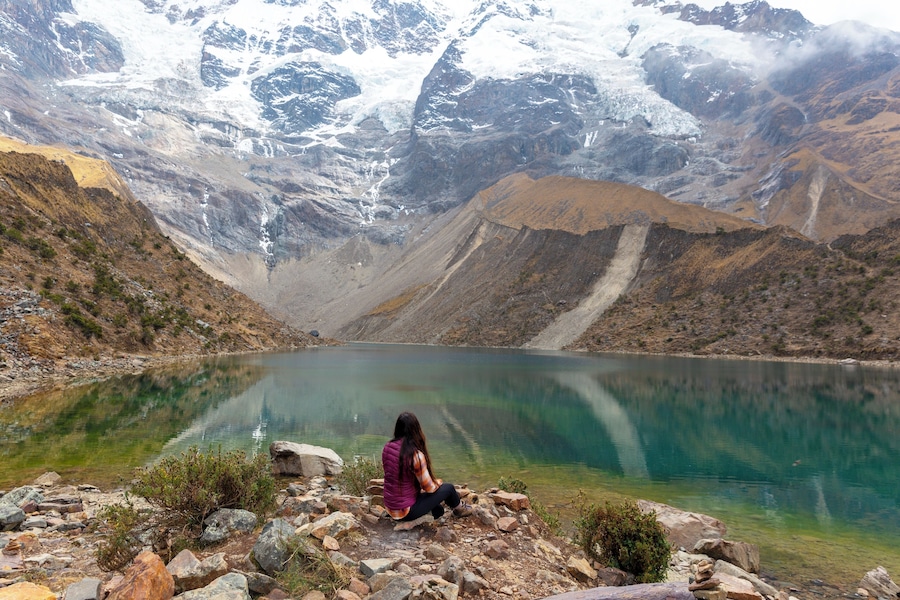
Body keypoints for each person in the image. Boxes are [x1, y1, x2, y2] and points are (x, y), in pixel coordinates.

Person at [382, 411, 473, 522]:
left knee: (438, 510)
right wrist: (438, 482)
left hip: (390, 506)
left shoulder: (387, 447)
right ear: (416, 430)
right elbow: (429, 488)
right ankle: (460, 509)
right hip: (405, 511)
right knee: (448, 488)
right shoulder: (415, 455)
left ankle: (425, 516)